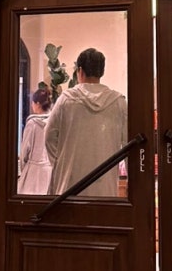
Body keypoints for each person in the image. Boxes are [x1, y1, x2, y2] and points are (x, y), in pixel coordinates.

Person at [45, 47, 127, 197]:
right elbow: (128, 144)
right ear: (102, 72)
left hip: (70, 186)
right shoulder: (118, 102)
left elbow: (49, 137)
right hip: (105, 188)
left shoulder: (66, 100)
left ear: (80, 71)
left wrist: (62, 162)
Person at [17, 87, 52, 195]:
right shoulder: (54, 121)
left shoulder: (32, 123)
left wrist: (23, 169)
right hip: (49, 170)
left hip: (33, 172)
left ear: (37, 104)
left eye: (32, 102)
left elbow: (24, 151)